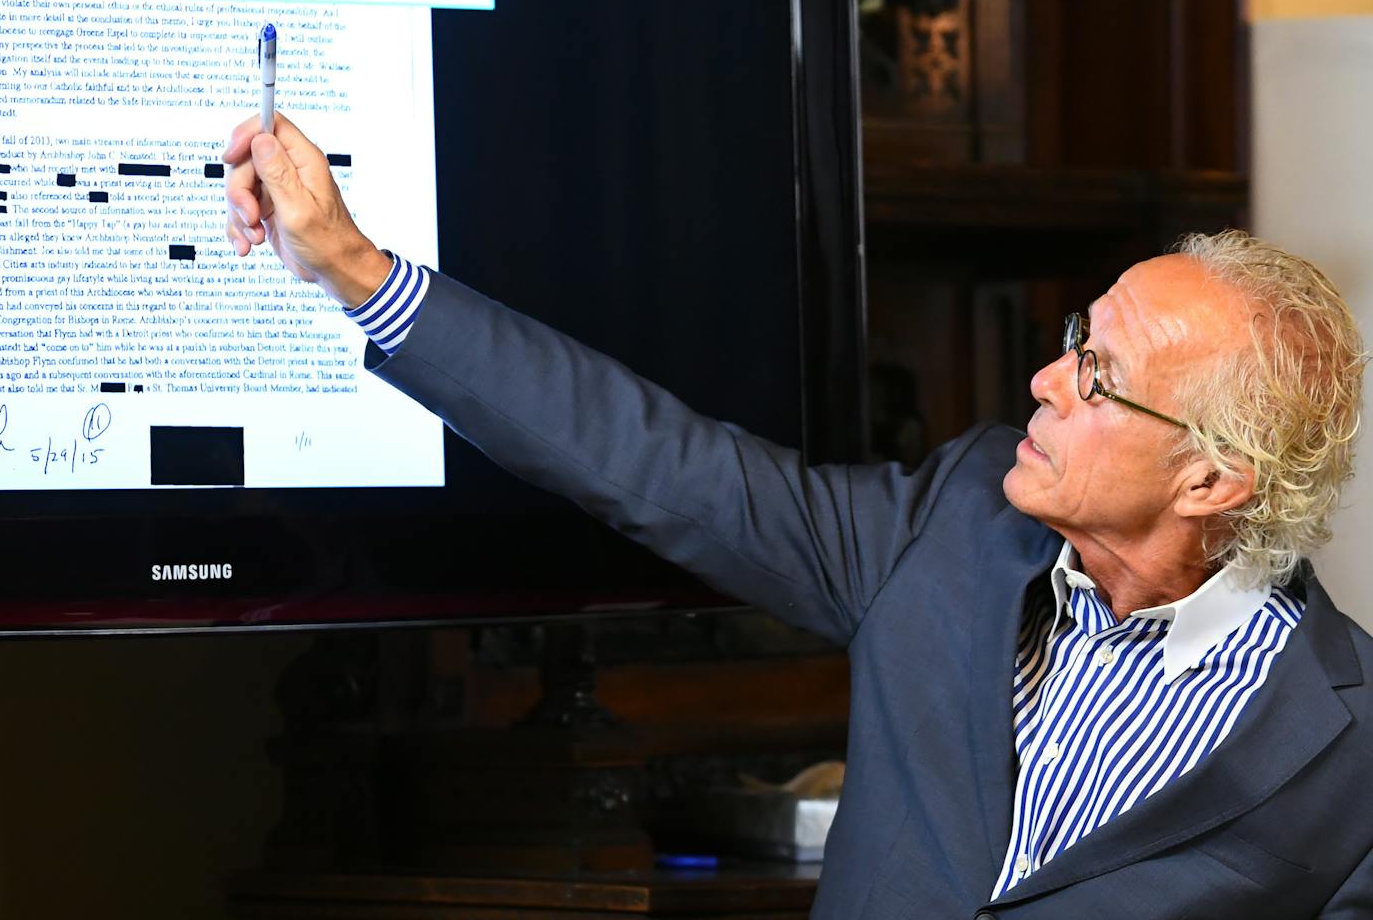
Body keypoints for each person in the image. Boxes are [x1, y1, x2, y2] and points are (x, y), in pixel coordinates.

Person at [224, 113, 1373, 919]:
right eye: (1078, 336)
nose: (1045, 380)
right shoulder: (952, 526)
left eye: (1100, 378)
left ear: (1211, 481)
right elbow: (651, 464)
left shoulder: (1351, 756)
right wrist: (355, 270)